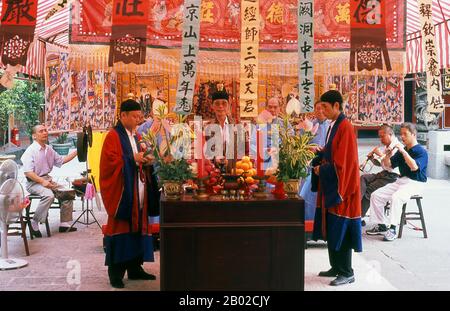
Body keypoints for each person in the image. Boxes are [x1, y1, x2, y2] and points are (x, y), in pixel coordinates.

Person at [100, 99, 156, 289]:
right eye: (134, 116)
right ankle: (115, 274)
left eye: (139, 117)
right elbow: (110, 164)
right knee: (121, 229)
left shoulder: (137, 135)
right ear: (122, 115)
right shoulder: (113, 136)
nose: (137, 120)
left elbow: (140, 157)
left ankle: (135, 268)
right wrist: (132, 158)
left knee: (138, 228)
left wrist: (147, 160)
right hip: (123, 193)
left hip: (138, 190)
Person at [311, 90, 362, 286]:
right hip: (334, 185)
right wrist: (321, 153)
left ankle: (347, 271)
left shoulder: (346, 127)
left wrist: (321, 169)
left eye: (325, 106)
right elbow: (333, 152)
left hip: (344, 189)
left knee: (342, 229)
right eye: (320, 106)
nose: (321, 110)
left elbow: (344, 163)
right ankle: (335, 266)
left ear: (336, 106)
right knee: (332, 228)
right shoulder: (335, 125)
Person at [366, 122, 428, 241]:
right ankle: (381, 225)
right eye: (401, 134)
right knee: (376, 195)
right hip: (402, 180)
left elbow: (414, 167)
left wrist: (404, 152)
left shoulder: (421, 151)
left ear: (413, 135)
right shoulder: (401, 151)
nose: (402, 137)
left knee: (396, 197)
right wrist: (387, 155)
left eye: (405, 134)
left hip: (416, 183)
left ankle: (393, 228)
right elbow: (389, 165)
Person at [21, 125, 78, 237]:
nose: (44, 133)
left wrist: (78, 151)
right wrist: (42, 182)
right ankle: (34, 222)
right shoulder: (30, 151)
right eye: (41, 131)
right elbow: (28, 172)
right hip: (33, 182)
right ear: (34, 136)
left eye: (45, 130)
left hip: (47, 179)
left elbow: (61, 160)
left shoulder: (48, 149)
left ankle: (64, 223)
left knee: (67, 192)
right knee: (49, 195)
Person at [360, 125, 400, 224]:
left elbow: (391, 166)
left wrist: (380, 154)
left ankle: (359, 216)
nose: (381, 139)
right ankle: (356, 207)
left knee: (369, 189)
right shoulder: (388, 146)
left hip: (392, 177)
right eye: (379, 136)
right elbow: (381, 164)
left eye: (383, 136)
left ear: (390, 135)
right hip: (384, 173)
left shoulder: (397, 147)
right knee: (363, 178)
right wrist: (372, 158)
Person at [299, 101, 330, 227]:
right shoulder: (309, 125)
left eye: (323, 108)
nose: (320, 111)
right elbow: (300, 145)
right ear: (314, 110)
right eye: (318, 109)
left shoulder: (332, 126)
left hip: (326, 165)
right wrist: (309, 148)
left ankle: (323, 225)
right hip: (310, 164)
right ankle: (308, 224)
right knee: (306, 193)